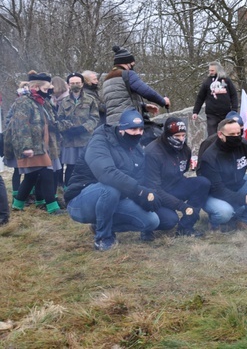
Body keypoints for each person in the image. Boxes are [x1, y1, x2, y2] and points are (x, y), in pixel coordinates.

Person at [65, 109, 160, 251]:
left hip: (115, 200)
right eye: (133, 129)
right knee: (110, 188)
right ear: (121, 129)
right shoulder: (100, 140)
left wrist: (146, 198)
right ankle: (103, 238)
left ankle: (100, 225)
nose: (138, 133)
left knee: (152, 221)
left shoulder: (138, 150)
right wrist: (139, 191)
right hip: (81, 200)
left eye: (141, 129)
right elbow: (106, 173)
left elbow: (140, 180)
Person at [197, 118, 247, 230]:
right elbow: (217, 190)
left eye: (239, 133)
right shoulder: (210, 156)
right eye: (232, 134)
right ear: (220, 134)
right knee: (225, 213)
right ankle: (215, 222)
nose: (236, 137)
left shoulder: (244, 145)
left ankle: (245, 220)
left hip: (237, 186)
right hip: (213, 195)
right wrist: (244, 199)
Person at [7, 72, 65, 215]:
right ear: (37, 87)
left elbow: (51, 121)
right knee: (47, 174)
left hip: (43, 145)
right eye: (45, 89)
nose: (47, 92)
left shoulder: (42, 102)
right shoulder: (23, 102)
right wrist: (26, 147)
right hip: (32, 146)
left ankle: (17, 206)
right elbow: (21, 126)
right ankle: (52, 208)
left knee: (31, 176)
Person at [144, 117, 210, 237]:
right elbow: (154, 188)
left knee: (202, 183)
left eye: (183, 135)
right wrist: (181, 206)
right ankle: (146, 227)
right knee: (170, 220)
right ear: (167, 135)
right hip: (154, 195)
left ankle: (186, 228)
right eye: (177, 136)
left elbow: (182, 172)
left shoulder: (185, 150)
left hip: (174, 186)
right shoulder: (152, 152)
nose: (181, 139)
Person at [102, 45, 170, 126]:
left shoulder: (107, 80)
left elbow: (119, 103)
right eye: (132, 64)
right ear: (127, 63)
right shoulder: (128, 74)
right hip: (128, 123)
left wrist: (144, 107)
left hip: (112, 125)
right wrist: (163, 101)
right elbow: (146, 92)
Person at [57, 73, 99, 186]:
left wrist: (83, 128)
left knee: (85, 165)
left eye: (77, 83)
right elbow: (59, 118)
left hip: (85, 139)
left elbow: (95, 118)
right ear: (68, 85)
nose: (75, 85)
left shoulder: (90, 100)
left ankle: (84, 187)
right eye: (72, 83)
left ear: (82, 84)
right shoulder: (63, 101)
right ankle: (67, 189)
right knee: (70, 166)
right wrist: (67, 129)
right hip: (69, 140)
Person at [192, 62, 239, 136]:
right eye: (209, 70)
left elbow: (233, 95)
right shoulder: (207, 82)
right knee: (212, 135)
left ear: (218, 70)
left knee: (227, 134)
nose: (210, 72)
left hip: (226, 114)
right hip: (212, 114)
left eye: (212, 71)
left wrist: (234, 109)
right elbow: (200, 98)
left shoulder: (226, 81)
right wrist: (195, 112)